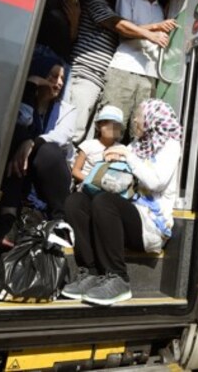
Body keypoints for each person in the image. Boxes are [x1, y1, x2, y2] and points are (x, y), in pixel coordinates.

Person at [63, 99, 181, 306]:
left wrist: (127, 156)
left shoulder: (170, 145)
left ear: (153, 119)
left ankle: (117, 278)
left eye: (139, 116)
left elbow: (156, 182)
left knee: (105, 202)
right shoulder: (136, 145)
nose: (134, 119)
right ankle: (90, 272)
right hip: (125, 213)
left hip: (150, 224)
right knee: (77, 201)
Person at [67, 0, 173, 143]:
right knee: (75, 131)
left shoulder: (111, 9)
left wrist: (159, 22)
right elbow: (118, 26)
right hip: (86, 73)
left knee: (88, 135)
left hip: (100, 77)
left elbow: (125, 27)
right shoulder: (96, 2)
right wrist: (154, 31)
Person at [0, 54, 76, 247]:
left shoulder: (67, 110)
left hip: (49, 176)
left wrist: (32, 143)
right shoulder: (22, 100)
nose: (59, 83)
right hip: (21, 173)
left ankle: (58, 220)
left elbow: (61, 136)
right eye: (53, 76)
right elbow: (21, 121)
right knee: (18, 135)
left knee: (48, 150)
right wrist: (30, 88)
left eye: (63, 78)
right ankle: (9, 217)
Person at [100, 0, 177, 134]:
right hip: (124, 68)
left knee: (140, 135)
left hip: (150, 77)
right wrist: (154, 31)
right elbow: (123, 29)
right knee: (110, 131)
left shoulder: (161, 8)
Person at [71, 105, 124, 184]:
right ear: (99, 126)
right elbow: (75, 171)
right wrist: (91, 182)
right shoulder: (88, 145)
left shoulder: (122, 149)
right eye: (106, 122)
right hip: (86, 186)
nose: (110, 127)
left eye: (115, 124)